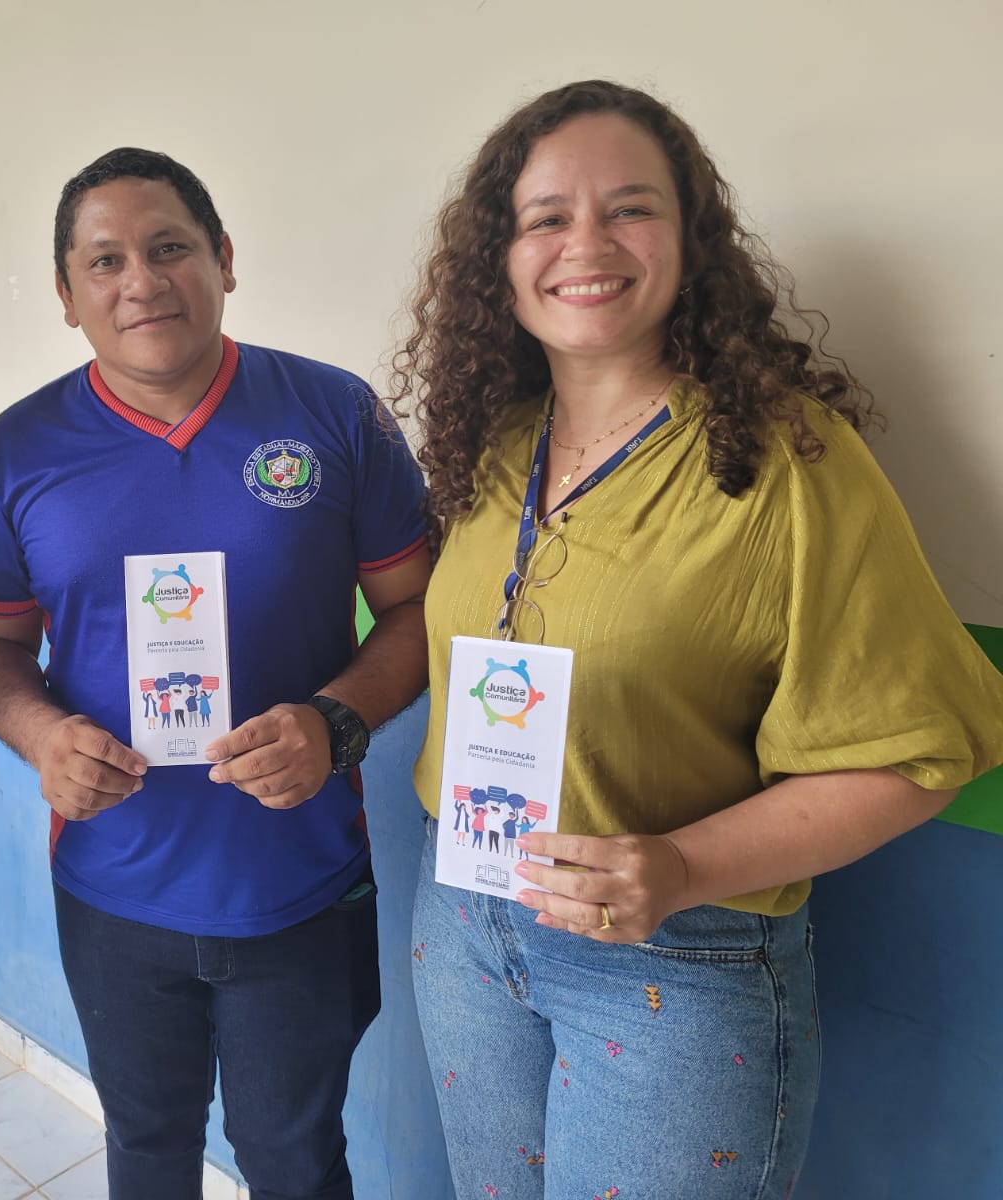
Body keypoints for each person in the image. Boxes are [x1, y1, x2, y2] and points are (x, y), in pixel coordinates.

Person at [390, 79, 1003, 1199]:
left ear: (688, 242)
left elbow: (924, 750)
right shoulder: (492, 447)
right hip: (468, 924)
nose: (586, 242)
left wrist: (678, 868)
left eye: (629, 208)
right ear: (501, 259)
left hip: (670, 961)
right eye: (545, 217)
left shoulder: (785, 462)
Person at [0, 147, 430, 1200]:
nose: (141, 280)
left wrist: (333, 724)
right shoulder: (18, 451)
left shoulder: (334, 415)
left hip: (299, 882)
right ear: (67, 297)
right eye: (105, 261)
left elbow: (418, 612)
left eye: (170, 247)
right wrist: (41, 737)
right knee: (148, 1151)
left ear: (222, 258)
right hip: (113, 885)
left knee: (295, 1160)